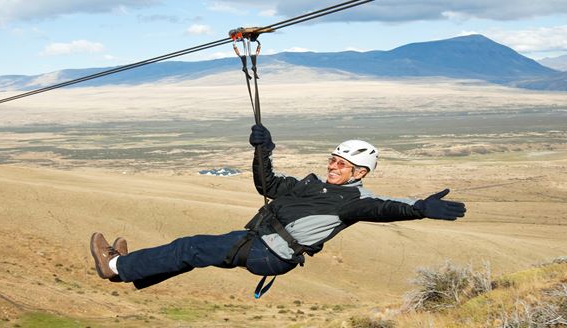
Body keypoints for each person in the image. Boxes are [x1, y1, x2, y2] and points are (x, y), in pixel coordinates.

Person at [90, 124, 466, 292]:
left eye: (342, 164)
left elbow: (385, 208)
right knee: (191, 254)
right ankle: (128, 272)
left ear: (359, 173)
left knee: (190, 247)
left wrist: (419, 208)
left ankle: (114, 266)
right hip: (260, 245)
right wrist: (262, 150)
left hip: (268, 253)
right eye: (333, 159)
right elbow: (266, 184)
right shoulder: (311, 185)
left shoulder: (354, 202)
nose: (333, 166)